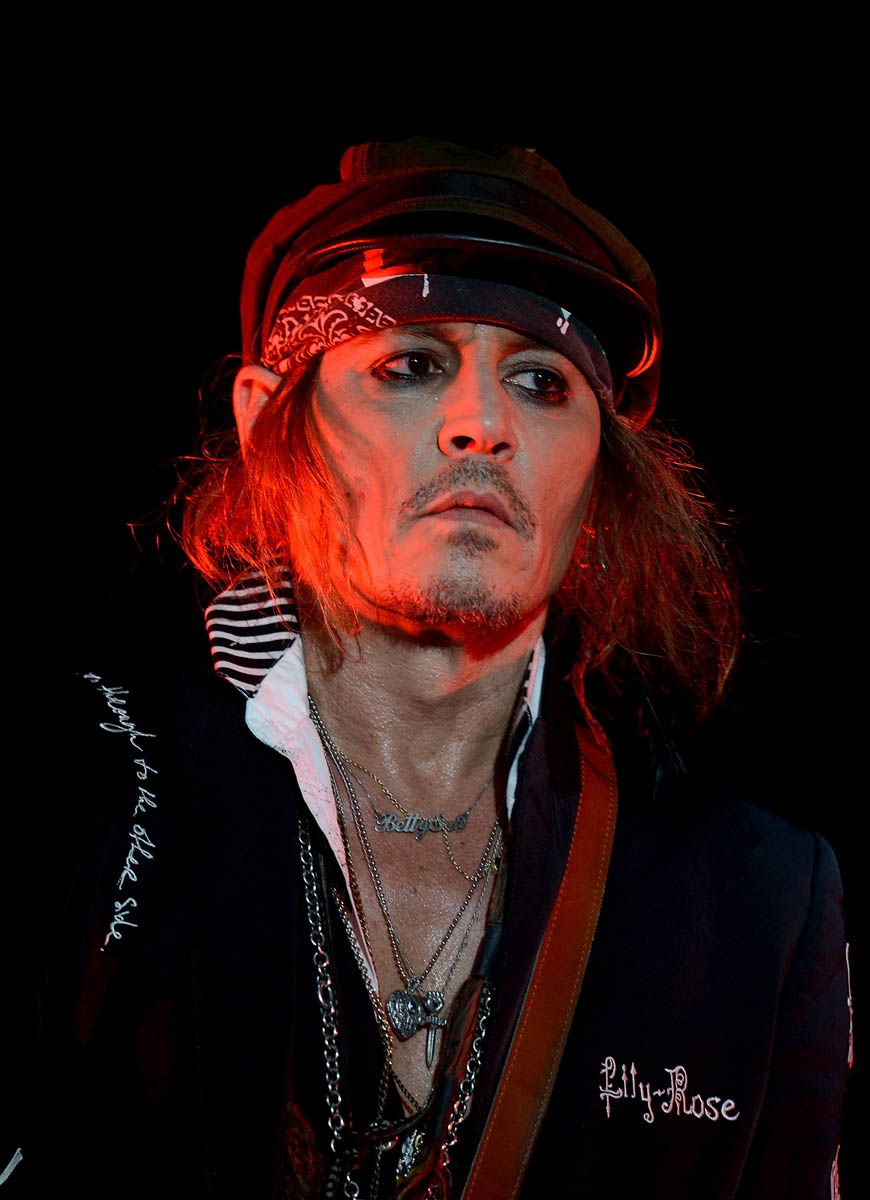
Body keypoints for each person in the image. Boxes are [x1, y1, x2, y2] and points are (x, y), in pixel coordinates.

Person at [19, 138, 850, 1199]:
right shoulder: (64, 787)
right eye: (410, 365)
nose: (483, 425)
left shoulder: (759, 906)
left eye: (541, 382)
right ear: (268, 417)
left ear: (597, 475)